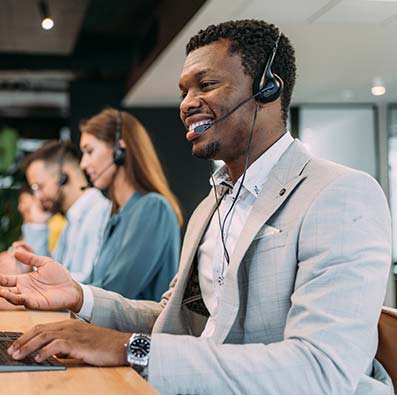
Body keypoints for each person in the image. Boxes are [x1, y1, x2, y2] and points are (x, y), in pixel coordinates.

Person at [0, 20, 392, 395]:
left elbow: (319, 370)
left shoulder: (339, 194)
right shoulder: (213, 205)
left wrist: (128, 348)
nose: (187, 104)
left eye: (206, 85)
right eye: (183, 91)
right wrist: (79, 297)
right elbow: (173, 321)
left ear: (268, 89)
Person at [77, 108, 182, 300]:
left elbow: (116, 291)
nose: (83, 164)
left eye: (89, 151)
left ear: (119, 150)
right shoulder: (117, 217)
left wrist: (61, 295)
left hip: (136, 330)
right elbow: (94, 284)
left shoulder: (153, 208)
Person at [13, 140, 110, 282]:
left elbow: (89, 284)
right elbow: (50, 273)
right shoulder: (71, 220)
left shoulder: (99, 214)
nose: (38, 197)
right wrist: (38, 226)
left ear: (63, 178)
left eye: (39, 187)